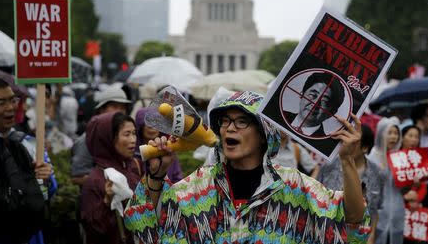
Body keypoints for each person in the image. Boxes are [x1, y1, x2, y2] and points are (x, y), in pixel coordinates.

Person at [124, 91, 370, 243]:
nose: (230, 128)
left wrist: (347, 160)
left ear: (264, 135)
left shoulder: (294, 187)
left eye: (242, 121)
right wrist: (155, 177)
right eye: (225, 121)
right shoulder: (197, 188)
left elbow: (353, 220)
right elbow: (144, 228)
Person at [0, 78, 53, 243]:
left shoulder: (29, 143)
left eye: (12, 100)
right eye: (0, 103)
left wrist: (45, 179)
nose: (10, 108)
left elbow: (47, 194)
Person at [317, 124, 385, 244]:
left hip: (360, 237)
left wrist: (371, 235)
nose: (346, 143)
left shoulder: (377, 173)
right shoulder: (328, 168)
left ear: (364, 147)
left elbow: (375, 210)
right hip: (327, 234)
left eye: (353, 141)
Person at [80, 112, 141, 244]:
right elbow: (94, 229)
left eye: (134, 133)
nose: (133, 139)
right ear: (107, 138)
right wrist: (107, 202)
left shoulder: (133, 166)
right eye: (127, 134)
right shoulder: (95, 180)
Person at [71, 87, 131, 186]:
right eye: (114, 106)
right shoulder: (88, 139)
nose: (119, 111)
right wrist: (108, 182)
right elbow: (77, 177)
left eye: (122, 107)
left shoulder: (125, 136)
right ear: (101, 110)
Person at [367, 117, 405, 244]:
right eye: (389, 133)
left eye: (396, 133)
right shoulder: (372, 157)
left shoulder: (400, 158)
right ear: (381, 134)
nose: (393, 137)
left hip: (397, 211)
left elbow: (403, 187)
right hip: (376, 213)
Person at [283, 72, 345, 137]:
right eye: (312, 95)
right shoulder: (276, 115)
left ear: (332, 112)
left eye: (324, 100)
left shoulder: (324, 144)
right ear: (301, 95)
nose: (315, 104)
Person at [134, 107, 183, 183]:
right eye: (148, 124)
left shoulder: (168, 149)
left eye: (156, 123)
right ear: (140, 127)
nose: (152, 128)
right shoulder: (132, 151)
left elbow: (177, 178)